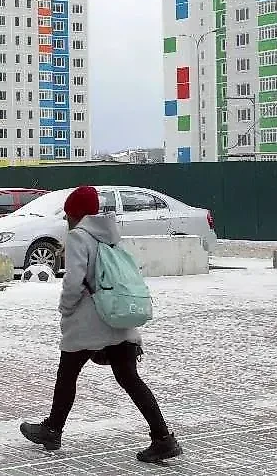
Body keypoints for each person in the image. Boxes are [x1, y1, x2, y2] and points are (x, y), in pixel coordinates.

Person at [19, 185, 182, 463]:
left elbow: (73, 282)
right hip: (118, 317)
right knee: (129, 378)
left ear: (74, 213)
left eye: (68, 213)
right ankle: (163, 438)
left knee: (67, 372)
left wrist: (65, 308)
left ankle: (52, 430)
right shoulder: (111, 236)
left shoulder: (79, 237)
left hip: (89, 322)